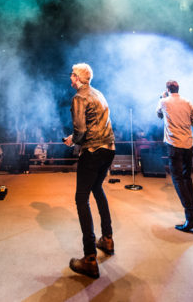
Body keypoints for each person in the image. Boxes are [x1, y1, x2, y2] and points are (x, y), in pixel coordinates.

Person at [63, 63, 115, 279]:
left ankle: (90, 258)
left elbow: (81, 130)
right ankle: (108, 238)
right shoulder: (98, 93)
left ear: (77, 78)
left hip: (92, 151)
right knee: (97, 189)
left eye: (72, 75)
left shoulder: (79, 97)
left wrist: (72, 140)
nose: (70, 78)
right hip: (109, 148)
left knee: (81, 198)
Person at [156, 80, 193, 232]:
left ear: (167, 89)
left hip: (174, 145)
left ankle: (191, 217)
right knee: (187, 177)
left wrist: (161, 98)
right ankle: (192, 214)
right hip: (188, 144)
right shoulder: (188, 102)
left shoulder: (164, 101)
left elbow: (158, 115)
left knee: (178, 180)